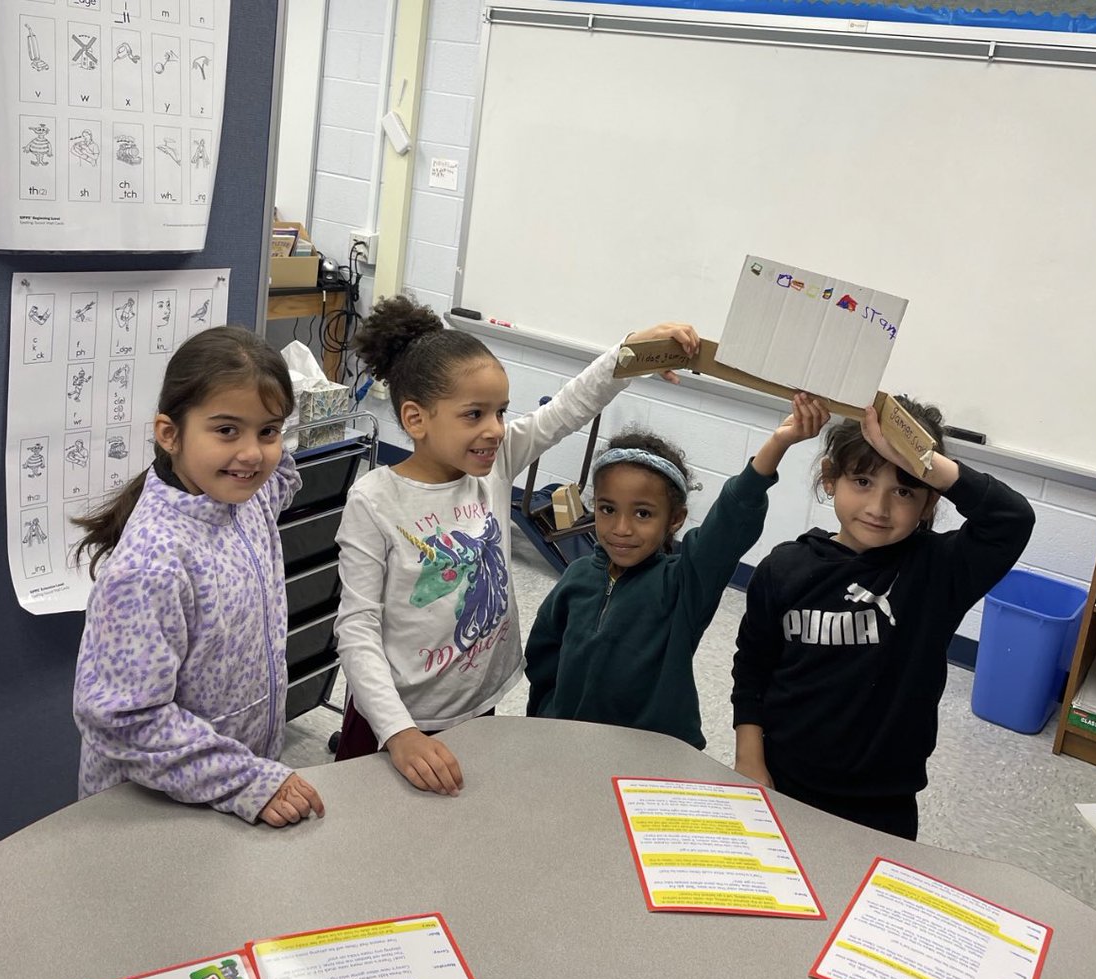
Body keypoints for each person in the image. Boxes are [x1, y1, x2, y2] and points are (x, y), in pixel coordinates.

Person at [333, 294, 697, 794]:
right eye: (474, 414)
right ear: (417, 419)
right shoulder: (374, 500)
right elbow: (356, 627)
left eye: (501, 412)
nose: (495, 430)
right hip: (397, 716)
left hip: (476, 701)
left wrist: (631, 353)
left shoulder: (495, 464)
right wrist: (399, 731)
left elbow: (569, 407)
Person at [731, 397, 1035, 840]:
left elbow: (1012, 519)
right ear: (830, 480)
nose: (879, 506)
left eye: (905, 490)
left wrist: (927, 464)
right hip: (782, 781)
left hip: (881, 804)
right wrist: (750, 760)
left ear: (929, 503)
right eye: (862, 480)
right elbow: (753, 669)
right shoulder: (783, 569)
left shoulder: (938, 571)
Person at [72, 326, 325, 828]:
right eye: (227, 430)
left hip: (227, 790)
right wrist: (244, 779)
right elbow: (124, 721)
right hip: (148, 812)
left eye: (268, 431)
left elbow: (283, 474)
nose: (253, 453)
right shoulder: (150, 566)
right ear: (169, 434)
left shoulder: (248, 498)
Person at [524, 394, 830, 748]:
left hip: (653, 758)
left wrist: (777, 444)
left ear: (675, 519)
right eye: (608, 509)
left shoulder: (683, 584)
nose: (621, 528)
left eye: (642, 513)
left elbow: (728, 526)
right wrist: (545, 723)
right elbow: (543, 658)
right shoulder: (575, 577)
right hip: (570, 745)